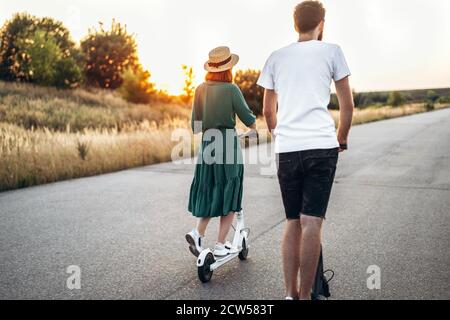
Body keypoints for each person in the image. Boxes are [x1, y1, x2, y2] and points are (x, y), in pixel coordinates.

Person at [257, 1, 354, 300]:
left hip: (288, 148)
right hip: (321, 146)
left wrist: (280, 134)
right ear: (321, 23)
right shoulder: (332, 51)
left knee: (292, 222)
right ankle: (308, 294)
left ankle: (289, 294)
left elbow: (267, 111)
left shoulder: (276, 57)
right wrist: (341, 138)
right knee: (312, 222)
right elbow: (347, 105)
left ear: (295, 24)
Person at [186, 46, 257, 257]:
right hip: (227, 144)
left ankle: (198, 232)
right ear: (228, 68)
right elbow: (249, 119)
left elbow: (195, 127)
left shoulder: (200, 89)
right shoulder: (231, 89)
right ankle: (220, 244)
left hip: (208, 143)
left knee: (209, 188)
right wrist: (250, 131)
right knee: (230, 190)